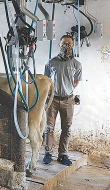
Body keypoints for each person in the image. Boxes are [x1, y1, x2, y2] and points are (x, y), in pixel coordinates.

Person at [43, 35, 82, 166]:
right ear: (59, 45)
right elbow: (46, 81)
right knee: (49, 128)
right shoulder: (50, 62)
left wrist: (65, 88)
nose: (67, 46)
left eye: (69, 43)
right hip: (52, 100)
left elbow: (76, 82)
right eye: (64, 43)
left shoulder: (77, 64)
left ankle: (62, 155)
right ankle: (48, 153)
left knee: (67, 129)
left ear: (73, 46)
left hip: (68, 101)